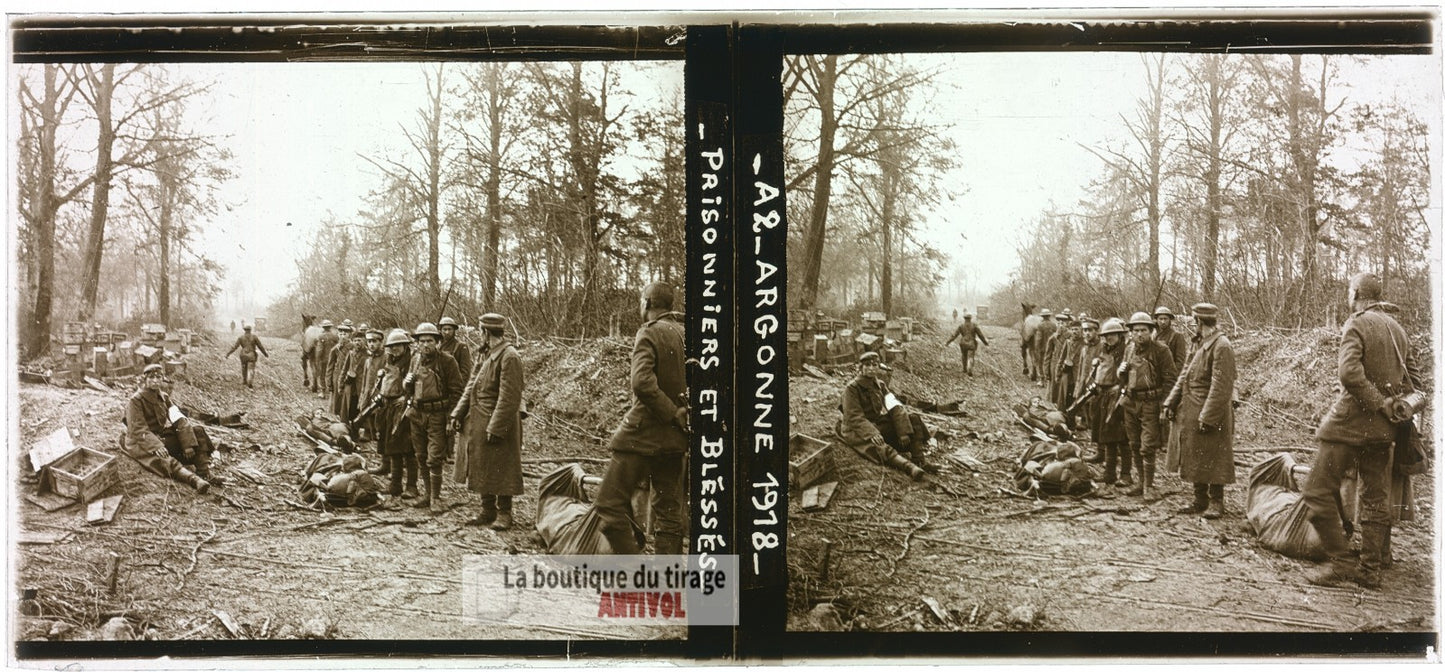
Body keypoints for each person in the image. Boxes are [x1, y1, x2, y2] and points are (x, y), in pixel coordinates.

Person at [1303, 273, 1426, 589]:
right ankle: (1370, 570)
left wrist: (1379, 403)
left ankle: (1342, 564)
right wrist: (1391, 407)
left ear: (1356, 293)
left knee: (1316, 490)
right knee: (1375, 497)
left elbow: (1348, 374)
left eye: (1349, 291)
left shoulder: (1356, 323)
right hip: (1384, 432)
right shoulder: (1398, 330)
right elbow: (1418, 387)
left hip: (1348, 425)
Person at [596, 282, 689, 555]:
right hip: (675, 440)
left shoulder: (649, 333)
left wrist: (670, 412)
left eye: (640, 301)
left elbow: (642, 383)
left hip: (641, 436)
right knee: (669, 515)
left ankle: (633, 572)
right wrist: (680, 415)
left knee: (608, 505)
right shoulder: (687, 335)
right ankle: (665, 585)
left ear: (647, 303)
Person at [450, 313, 524, 530]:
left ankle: (504, 513)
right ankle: (487, 509)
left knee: (502, 467)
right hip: (478, 419)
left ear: (485, 333)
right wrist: (457, 412)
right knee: (481, 463)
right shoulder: (485, 354)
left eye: (481, 332)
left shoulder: (509, 357)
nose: (480, 336)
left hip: (500, 421)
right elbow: (471, 385)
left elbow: (509, 397)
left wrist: (496, 426)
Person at [1163, 303, 1236, 518]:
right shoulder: (1199, 343)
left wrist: (1208, 416)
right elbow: (1184, 374)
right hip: (1192, 407)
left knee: (1215, 455)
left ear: (1200, 322)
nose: (1192, 326)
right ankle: (1199, 499)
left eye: (1194, 322)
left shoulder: (1222, 346)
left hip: (1212, 410)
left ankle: (1216, 502)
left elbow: (1221, 386)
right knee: (1195, 453)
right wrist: (1171, 401)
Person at [120, 364, 223, 492]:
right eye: (151, 377)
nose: (156, 381)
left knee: (197, 431)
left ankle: (204, 472)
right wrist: (156, 446)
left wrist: (187, 443)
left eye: (159, 377)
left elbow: (179, 419)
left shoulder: (164, 397)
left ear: (163, 378)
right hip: (141, 441)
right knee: (162, 458)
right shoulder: (135, 401)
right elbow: (138, 428)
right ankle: (193, 479)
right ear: (145, 379)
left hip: (160, 436)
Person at [837, 351, 934, 480]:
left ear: (878, 367)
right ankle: (909, 467)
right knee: (876, 445)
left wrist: (902, 430)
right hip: (856, 429)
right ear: (861, 368)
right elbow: (854, 416)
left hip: (876, 423)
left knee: (913, 418)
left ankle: (919, 460)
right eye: (867, 365)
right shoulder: (852, 388)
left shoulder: (880, 385)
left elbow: (894, 406)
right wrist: (872, 433)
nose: (871, 368)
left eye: (875, 365)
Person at [1117, 311, 1179, 501]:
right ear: (1131, 333)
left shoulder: (1161, 350)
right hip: (1131, 401)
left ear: (1151, 331)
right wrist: (1121, 372)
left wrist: (1164, 406)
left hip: (1151, 403)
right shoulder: (1129, 349)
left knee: (1148, 445)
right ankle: (1140, 482)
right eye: (1136, 331)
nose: (1140, 334)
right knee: (1134, 443)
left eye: (1144, 330)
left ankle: (1149, 486)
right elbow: (1125, 376)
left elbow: (1170, 379)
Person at [405, 322, 464, 513]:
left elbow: (457, 391)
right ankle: (427, 494)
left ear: (437, 342)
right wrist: (407, 383)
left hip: (438, 414)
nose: (425, 345)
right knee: (420, 454)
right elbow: (410, 389)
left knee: (434, 456)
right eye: (421, 341)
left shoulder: (448, 361)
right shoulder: (415, 360)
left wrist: (451, 418)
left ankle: (436, 498)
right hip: (417, 413)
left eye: (430, 340)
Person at [370, 329, 417, 497]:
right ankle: (395, 485)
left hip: (405, 408)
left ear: (405, 346)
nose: (395, 349)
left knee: (408, 449)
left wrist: (407, 394)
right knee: (392, 447)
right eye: (392, 346)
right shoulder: (390, 361)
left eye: (398, 345)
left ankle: (412, 487)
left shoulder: (411, 362)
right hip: (388, 407)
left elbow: (415, 388)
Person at [1086, 318, 1130, 485]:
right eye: (1106, 335)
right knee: (1107, 436)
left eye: (1112, 335)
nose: (1109, 338)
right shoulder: (1104, 350)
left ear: (1119, 335)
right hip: (1103, 395)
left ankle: (1126, 475)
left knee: (1122, 438)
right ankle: (1109, 474)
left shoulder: (1124, 351)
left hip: (1118, 396)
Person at [1154, 306, 1189, 376]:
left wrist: (1174, 376)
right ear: (1156, 320)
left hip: (1169, 375)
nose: (1163, 322)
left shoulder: (1177, 336)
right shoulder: (1153, 336)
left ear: (1170, 320)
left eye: (1165, 319)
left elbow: (1180, 361)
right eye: (1160, 319)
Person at [311, 320, 339, 395]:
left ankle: (323, 391)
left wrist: (317, 359)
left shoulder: (321, 336)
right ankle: (332, 391)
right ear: (330, 327)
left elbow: (319, 350)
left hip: (324, 359)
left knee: (323, 374)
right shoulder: (335, 336)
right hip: (334, 359)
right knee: (332, 374)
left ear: (323, 327)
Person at [1030, 310, 1056, 385]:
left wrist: (1036, 348)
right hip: (1052, 348)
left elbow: (1039, 338)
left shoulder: (1040, 325)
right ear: (1049, 316)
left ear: (1042, 316)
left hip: (1043, 348)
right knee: (1050, 362)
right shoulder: (1054, 325)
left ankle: (1042, 379)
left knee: (1041, 363)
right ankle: (1049, 379)